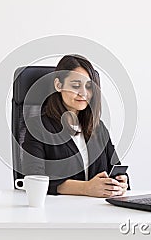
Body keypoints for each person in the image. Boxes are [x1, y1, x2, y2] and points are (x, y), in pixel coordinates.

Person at [22, 54, 129, 197]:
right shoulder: (37, 127)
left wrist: (121, 183)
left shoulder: (98, 128)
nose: (83, 93)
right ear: (58, 85)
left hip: (98, 211)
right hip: (57, 212)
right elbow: (34, 178)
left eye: (89, 86)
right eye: (76, 85)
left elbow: (116, 169)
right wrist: (86, 188)